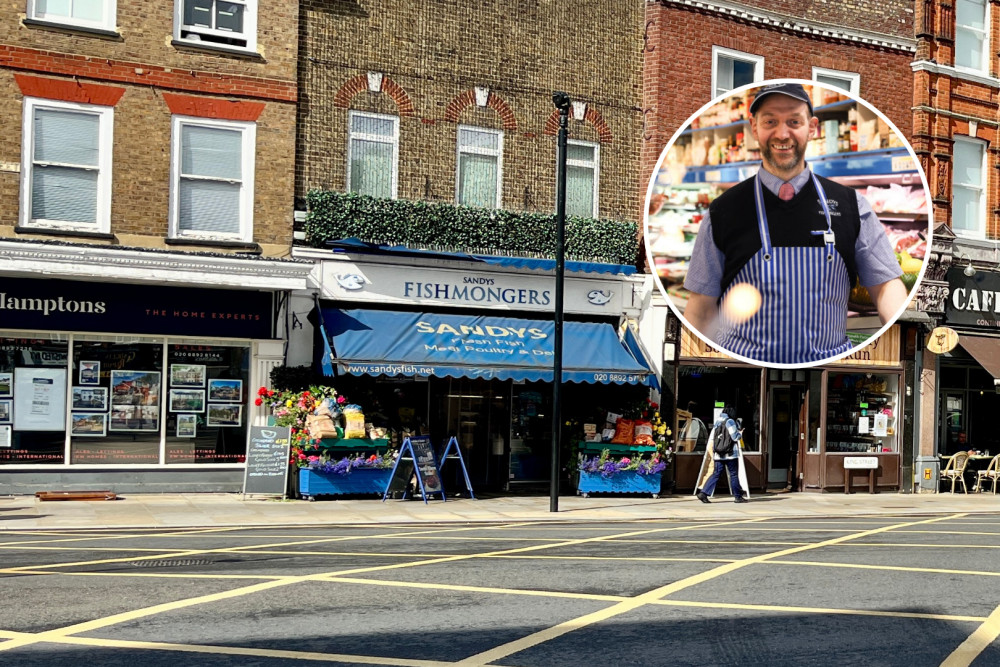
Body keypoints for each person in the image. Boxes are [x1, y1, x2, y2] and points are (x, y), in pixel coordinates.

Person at [683, 82, 907, 365]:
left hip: (829, 371)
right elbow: (701, 311)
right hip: (742, 371)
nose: (782, 133)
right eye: (770, 121)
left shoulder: (851, 206)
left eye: (793, 121)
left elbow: (887, 287)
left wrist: (900, 353)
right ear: (755, 128)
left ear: (811, 128)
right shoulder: (724, 211)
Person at [695, 406, 749, 503]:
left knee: (716, 474)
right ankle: (738, 497)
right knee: (733, 474)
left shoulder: (717, 422)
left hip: (718, 453)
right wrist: (740, 433)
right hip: (730, 454)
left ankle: (704, 493)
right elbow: (735, 437)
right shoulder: (730, 421)